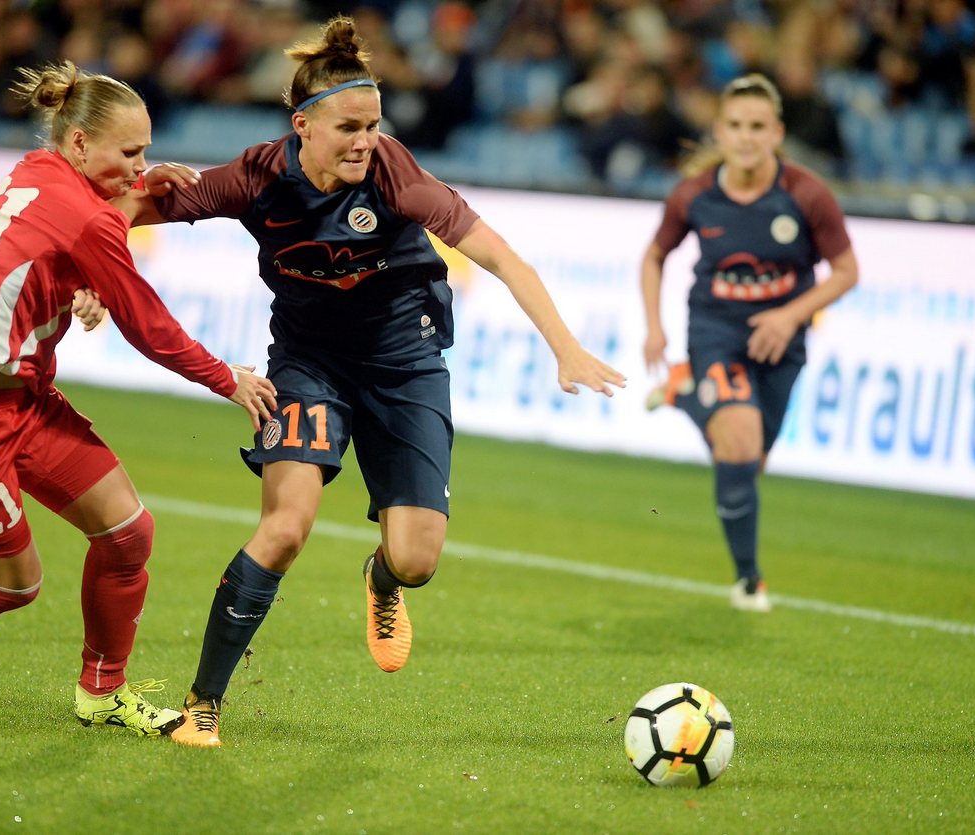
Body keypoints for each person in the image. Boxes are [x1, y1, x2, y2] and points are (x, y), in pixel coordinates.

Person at [120, 15, 626, 748]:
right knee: (286, 527)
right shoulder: (257, 178)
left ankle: (382, 580)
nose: (366, 141)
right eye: (350, 127)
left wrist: (566, 346)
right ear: (303, 126)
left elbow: (504, 258)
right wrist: (96, 278)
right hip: (308, 363)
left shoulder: (395, 174)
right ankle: (204, 705)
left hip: (405, 363)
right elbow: (131, 208)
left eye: (374, 125)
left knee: (417, 559)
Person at [0, 60, 277, 738]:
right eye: (129, 152)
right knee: (12, 585)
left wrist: (137, 190)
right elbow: (146, 322)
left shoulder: (40, 168)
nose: (140, 164)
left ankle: (102, 692)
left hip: (21, 401)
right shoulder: (88, 216)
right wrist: (225, 378)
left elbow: (75, 233)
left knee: (128, 533)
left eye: (145, 149)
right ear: (82, 143)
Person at [641, 73, 859, 613]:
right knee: (738, 440)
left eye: (757, 126)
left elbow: (847, 271)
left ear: (777, 132)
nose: (745, 136)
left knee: (750, 459)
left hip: (782, 340)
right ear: (718, 130)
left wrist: (789, 316)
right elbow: (654, 256)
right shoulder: (694, 195)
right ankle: (748, 580)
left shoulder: (806, 194)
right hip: (716, 331)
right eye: (735, 126)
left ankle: (685, 395)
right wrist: (655, 327)